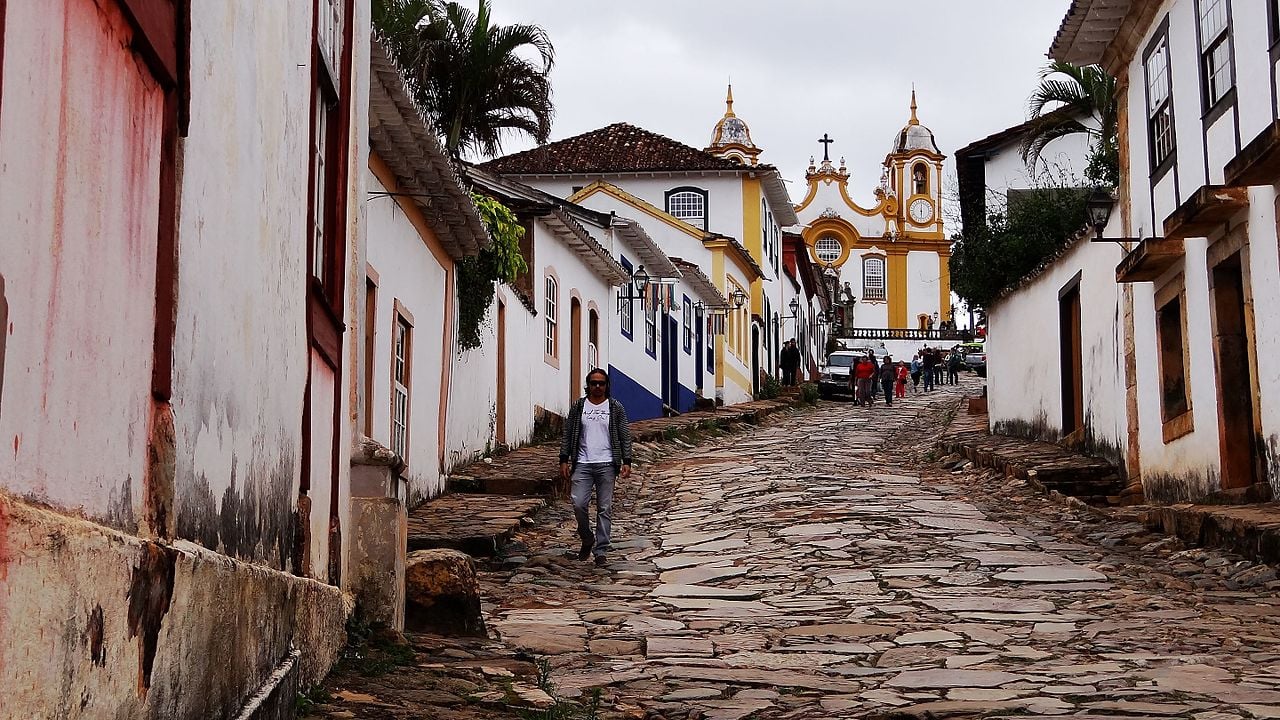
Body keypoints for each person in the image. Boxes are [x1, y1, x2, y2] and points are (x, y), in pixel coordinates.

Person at [559, 368, 633, 566]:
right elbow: (568, 433)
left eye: (601, 383)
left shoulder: (615, 407)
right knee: (578, 503)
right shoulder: (579, 406)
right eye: (594, 383)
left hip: (607, 463)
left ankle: (601, 550)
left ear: (607, 385)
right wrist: (563, 459)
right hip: (582, 463)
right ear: (588, 385)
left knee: (604, 508)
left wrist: (627, 460)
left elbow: (625, 434)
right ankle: (587, 537)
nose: (597, 386)